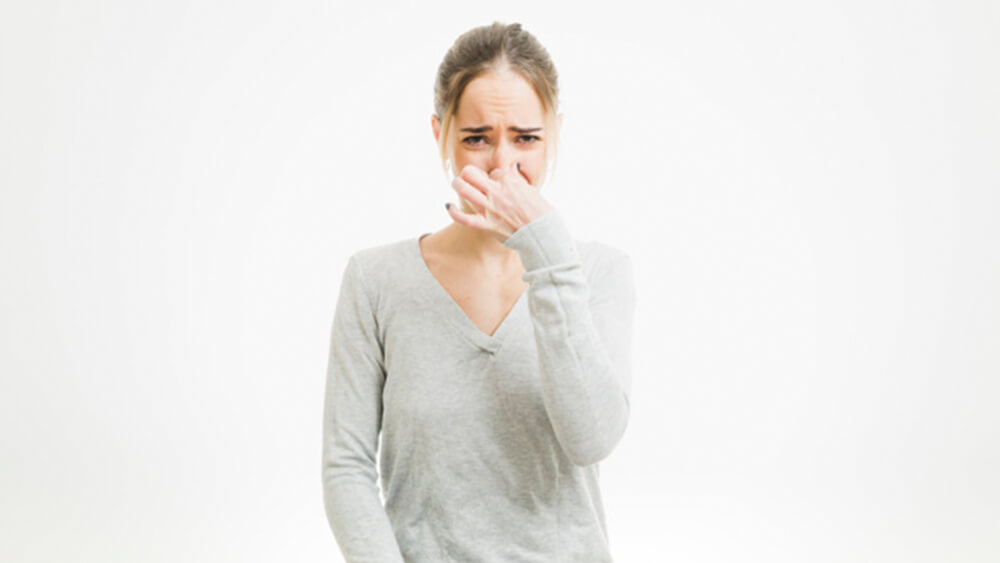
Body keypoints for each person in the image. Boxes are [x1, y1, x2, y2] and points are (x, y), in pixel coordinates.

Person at [321, 21, 637, 562]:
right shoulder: (375, 280)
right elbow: (345, 466)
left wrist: (549, 255)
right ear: (439, 132)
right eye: (476, 138)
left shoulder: (598, 271)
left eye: (526, 138)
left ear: (554, 133)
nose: (502, 163)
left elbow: (592, 439)